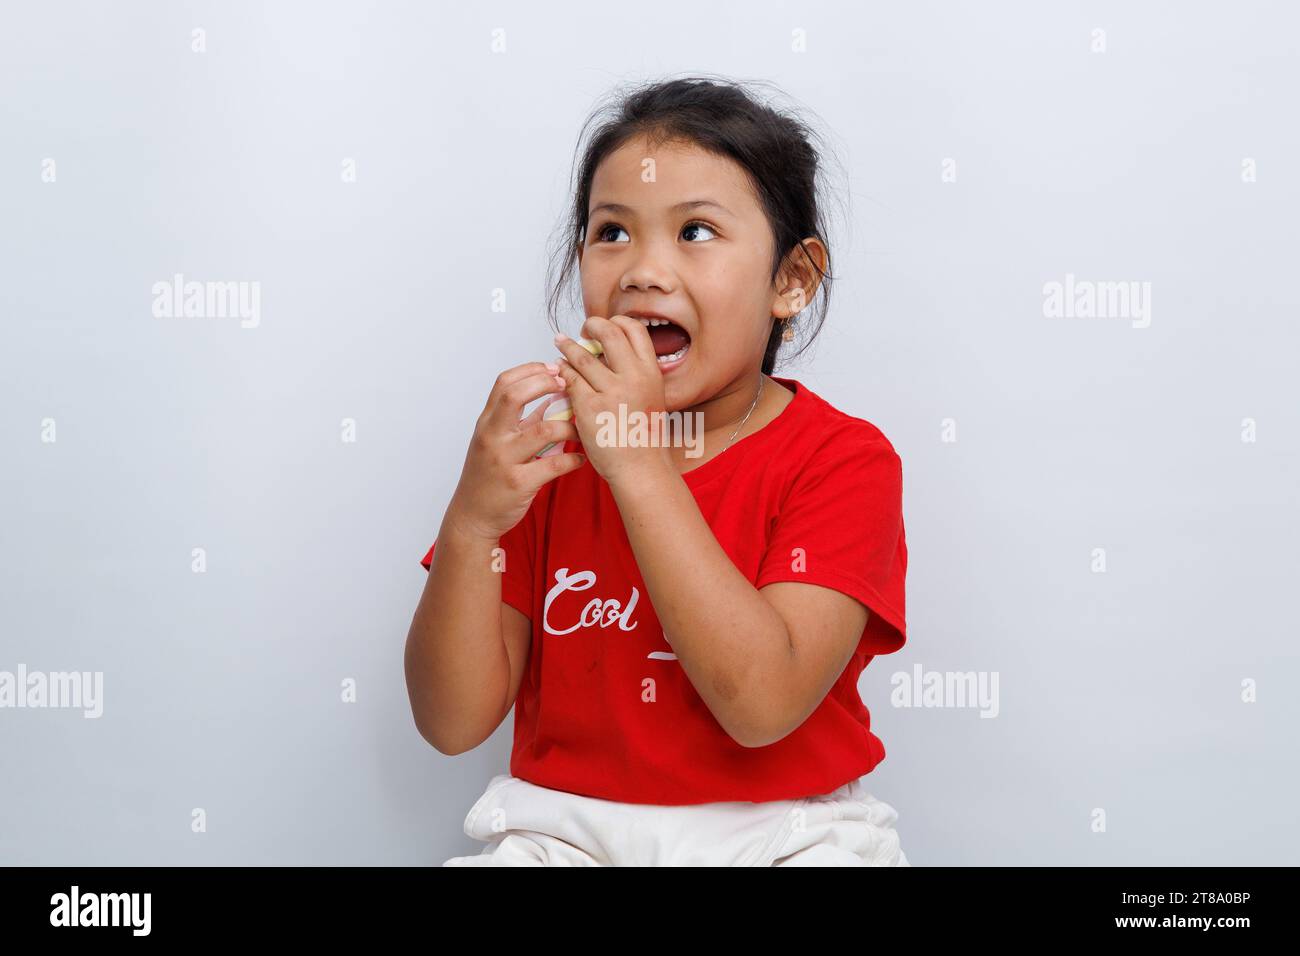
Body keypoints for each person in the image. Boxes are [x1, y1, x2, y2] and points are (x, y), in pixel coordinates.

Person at [406, 76, 910, 866]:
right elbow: (450, 722)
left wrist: (637, 463)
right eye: (612, 232)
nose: (643, 269)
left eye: (697, 232)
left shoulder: (842, 460)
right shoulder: (548, 460)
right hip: (564, 828)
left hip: (784, 831)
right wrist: (472, 522)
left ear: (792, 279)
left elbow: (762, 705)